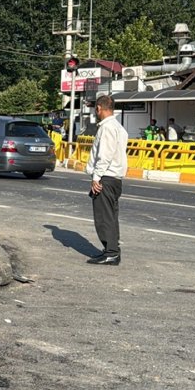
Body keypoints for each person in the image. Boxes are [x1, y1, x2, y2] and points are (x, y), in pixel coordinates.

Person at [85, 94, 128, 266]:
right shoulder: (119, 127)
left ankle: (111, 253)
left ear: (99, 108)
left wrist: (96, 177)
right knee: (111, 216)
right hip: (114, 178)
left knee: (104, 217)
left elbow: (105, 154)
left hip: (106, 177)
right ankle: (111, 249)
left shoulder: (107, 128)